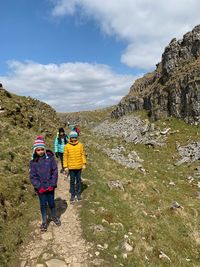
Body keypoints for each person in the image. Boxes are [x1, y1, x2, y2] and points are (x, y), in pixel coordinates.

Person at [29, 136, 61, 231]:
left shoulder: (50, 159)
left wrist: (52, 184)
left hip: (50, 187)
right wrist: (39, 186)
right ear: (35, 151)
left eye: (42, 149)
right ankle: (44, 221)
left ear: (45, 149)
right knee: (43, 204)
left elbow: (54, 171)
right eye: (38, 150)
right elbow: (32, 176)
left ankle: (54, 216)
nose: (40, 151)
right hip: (41, 189)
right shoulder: (33, 162)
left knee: (51, 203)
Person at [63, 131, 86, 202]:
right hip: (71, 168)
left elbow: (82, 154)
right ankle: (72, 194)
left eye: (75, 137)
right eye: (72, 137)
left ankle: (78, 194)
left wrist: (84, 163)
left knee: (78, 180)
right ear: (70, 137)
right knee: (72, 181)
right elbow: (65, 156)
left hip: (79, 167)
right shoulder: (67, 146)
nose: (74, 139)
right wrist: (65, 166)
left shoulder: (80, 145)